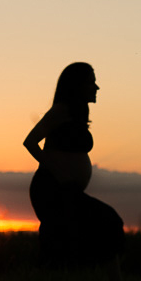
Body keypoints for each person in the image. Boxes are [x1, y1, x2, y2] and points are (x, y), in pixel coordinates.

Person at [24, 62, 123, 269]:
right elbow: (30, 142)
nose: (96, 88)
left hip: (66, 190)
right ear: (76, 86)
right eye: (91, 83)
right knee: (106, 221)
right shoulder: (61, 110)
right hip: (51, 189)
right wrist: (58, 172)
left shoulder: (80, 112)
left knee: (82, 235)